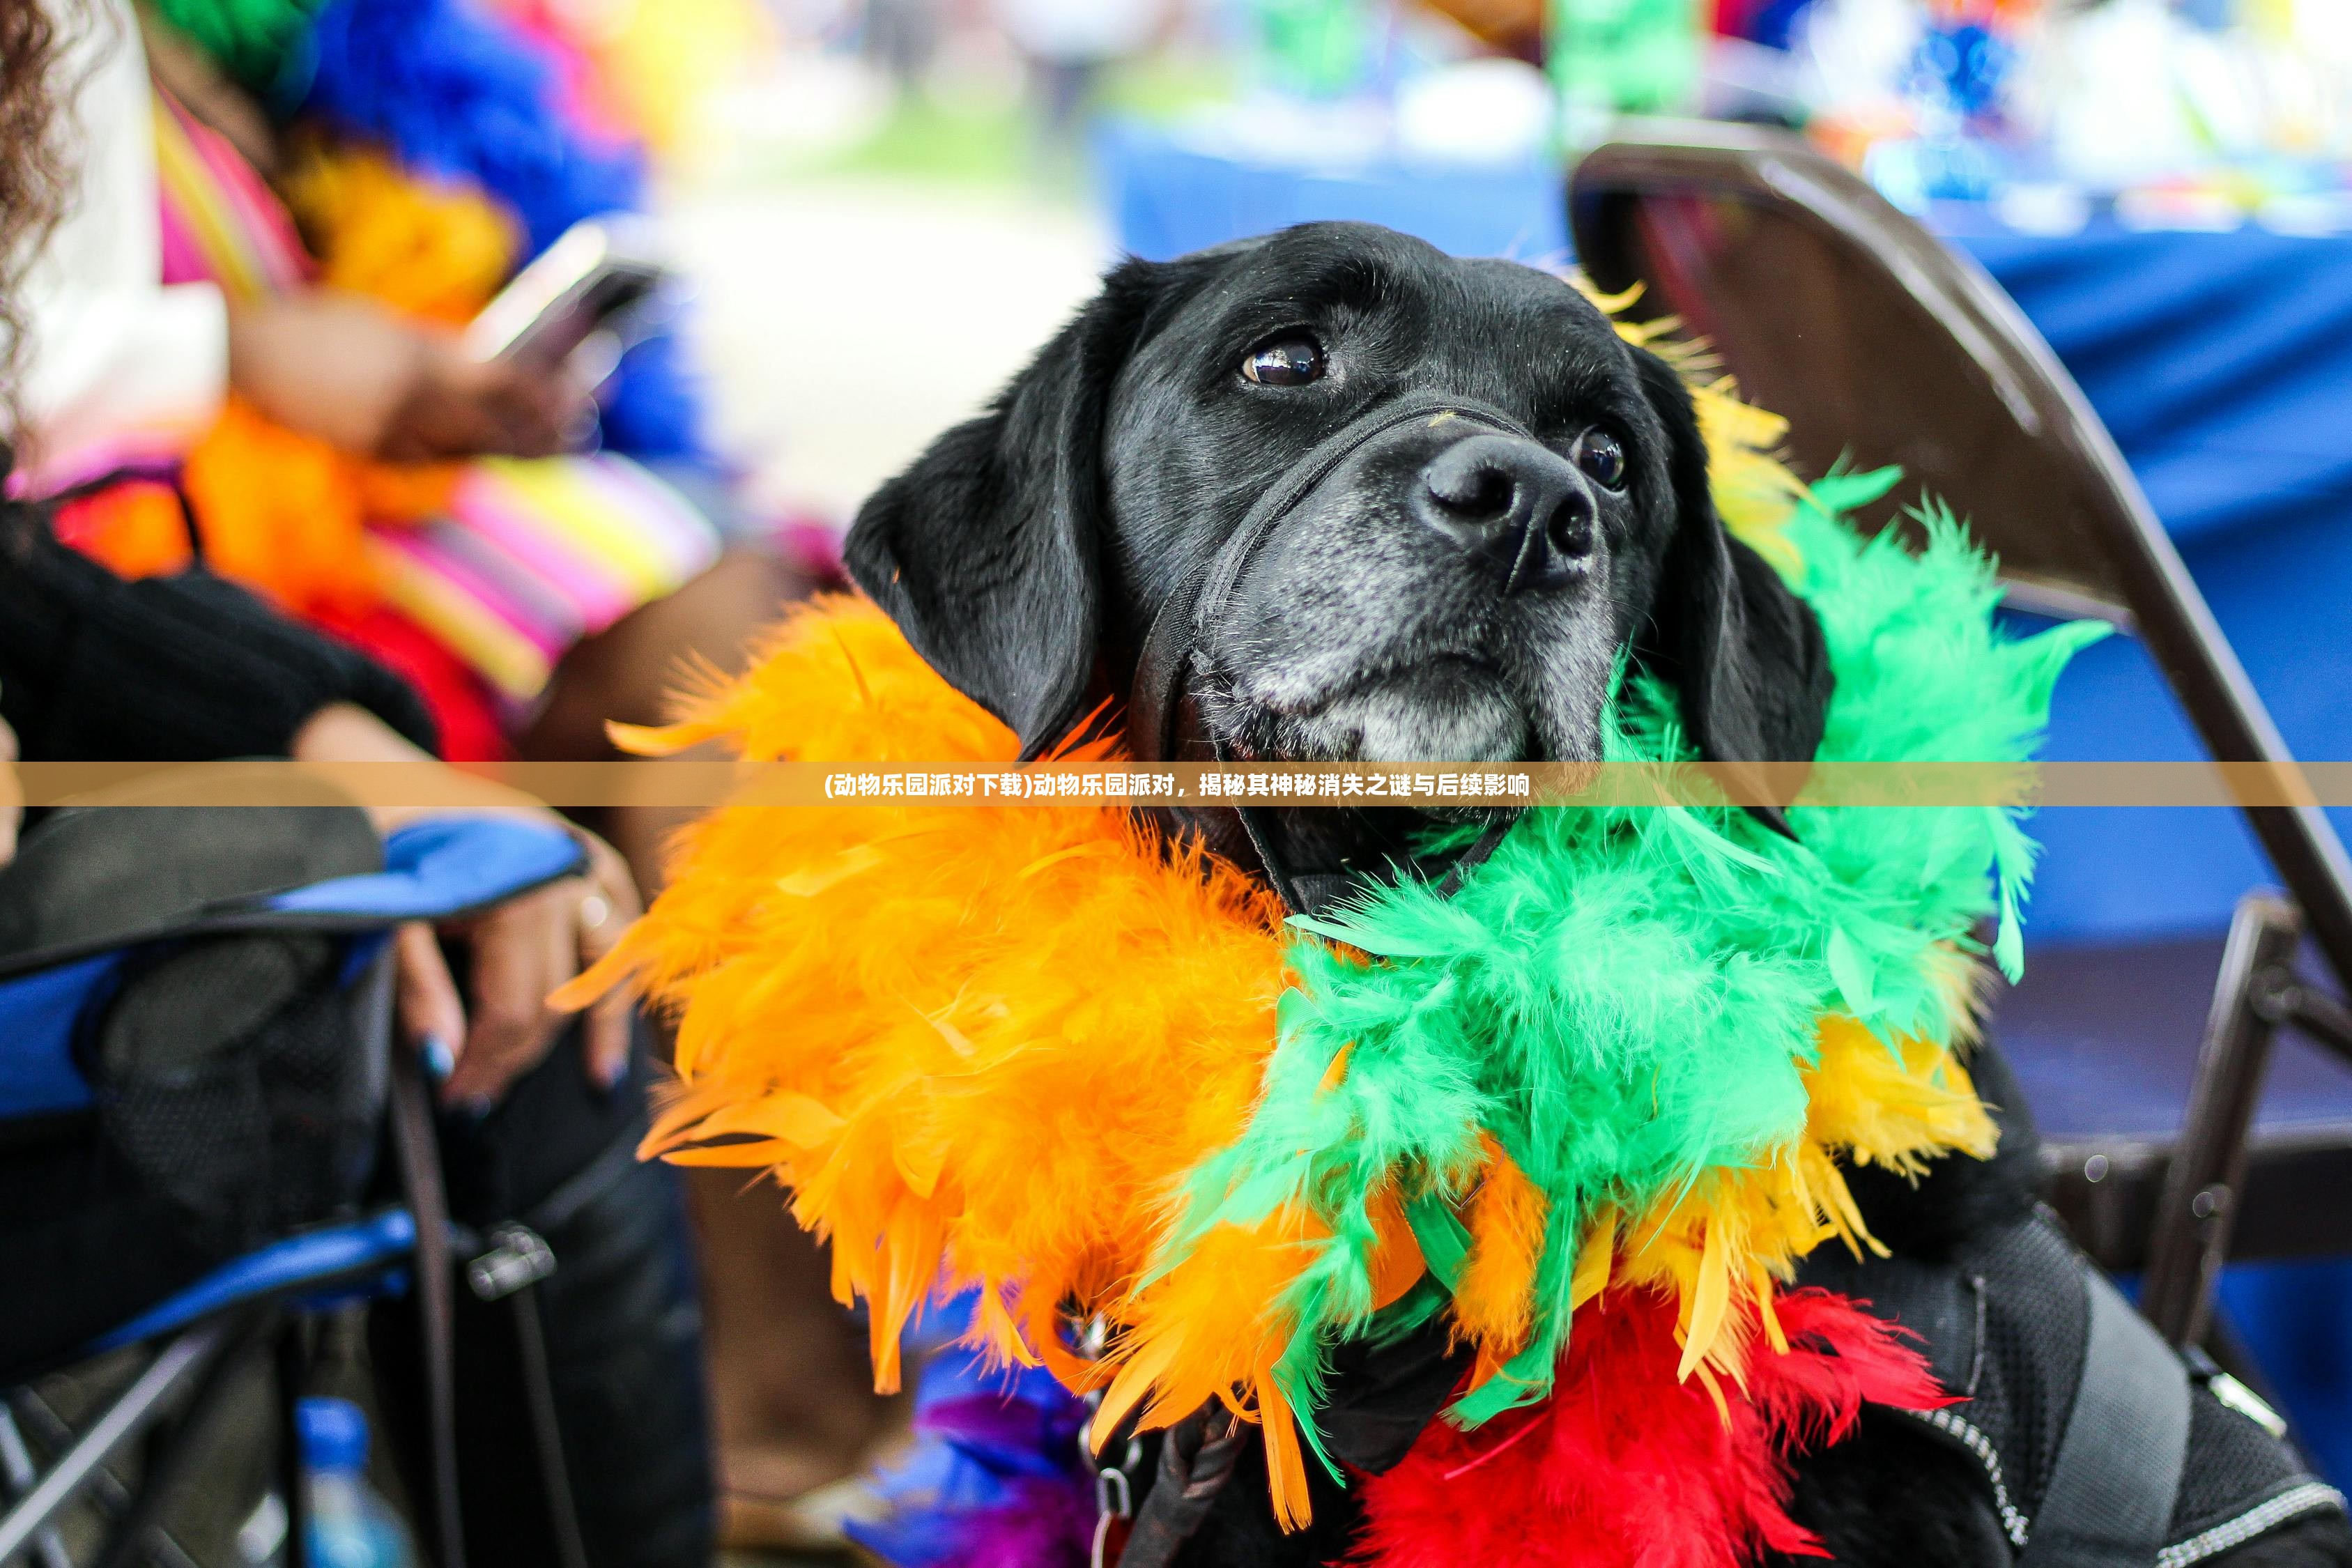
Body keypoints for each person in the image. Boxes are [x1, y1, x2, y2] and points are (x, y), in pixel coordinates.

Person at [16, 0, 795, 889]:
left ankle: (718, 1017)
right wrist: (239, 350)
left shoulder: (297, 38)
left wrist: (437, 374)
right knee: (708, 650)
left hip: (346, 498)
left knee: (746, 629)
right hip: (118, 544)